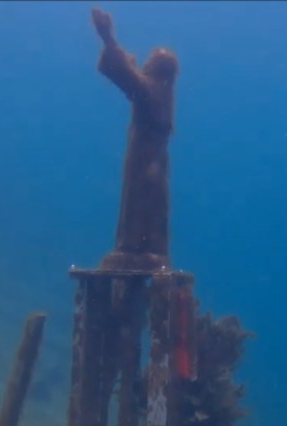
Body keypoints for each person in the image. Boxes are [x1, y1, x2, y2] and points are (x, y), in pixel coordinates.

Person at [92, 7, 180, 272]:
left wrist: (107, 36)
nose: (147, 60)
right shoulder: (162, 95)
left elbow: (131, 79)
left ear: (158, 68)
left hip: (145, 163)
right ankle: (147, 246)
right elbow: (132, 76)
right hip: (152, 162)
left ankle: (135, 247)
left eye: (152, 58)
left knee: (140, 201)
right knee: (149, 203)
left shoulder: (153, 92)